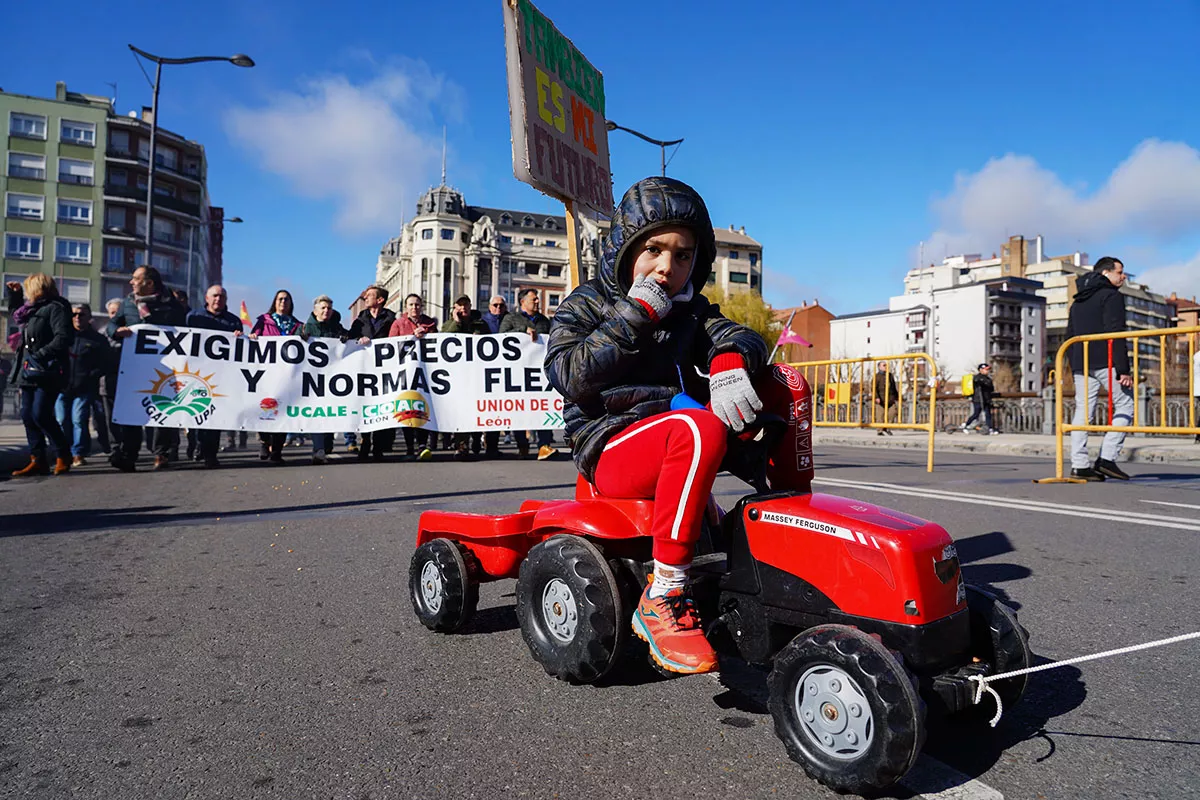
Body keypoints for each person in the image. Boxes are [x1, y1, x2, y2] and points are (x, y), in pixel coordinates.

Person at [546, 176, 812, 675]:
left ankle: (792, 535)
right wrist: (633, 317)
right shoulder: (586, 305)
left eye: (684, 255)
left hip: (672, 431)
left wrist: (731, 358)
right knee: (697, 427)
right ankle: (663, 594)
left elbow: (733, 333)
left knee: (785, 386)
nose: (668, 267)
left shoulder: (690, 308)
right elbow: (569, 374)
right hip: (608, 445)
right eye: (654, 250)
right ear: (625, 248)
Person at [106, 266, 187, 471]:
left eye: (135, 279)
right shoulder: (128, 303)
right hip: (134, 368)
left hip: (164, 369)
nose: (131, 282)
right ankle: (130, 456)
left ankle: (161, 453)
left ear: (149, 283)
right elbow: (111, 326)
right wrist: (117, 331)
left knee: (162, 409)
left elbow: (188, 329)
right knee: (133, 411)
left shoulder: (171, 304)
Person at [1066, 256, 1134, 481]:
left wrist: (1073, 362)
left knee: (1083, 411)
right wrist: (1123, 369)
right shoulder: (1111, 296)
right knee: (1126, 404)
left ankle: (1079, 465)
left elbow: (1069, 336)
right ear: (1106, 273)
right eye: (1120, 272)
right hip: (1106, 360)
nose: (1123, 276)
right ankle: (1107, 458)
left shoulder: (1078, 300)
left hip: (1080, 362)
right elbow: (1117, 332)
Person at [6, 274, 74, 477]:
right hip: (27, 370)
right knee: (27, 415)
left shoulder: (56, 308)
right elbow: (15, 314)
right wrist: (14, 295)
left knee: (41, 414)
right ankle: (38, 459)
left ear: (38, 288)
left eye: (27, 289)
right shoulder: (31, 310)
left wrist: (40, 355)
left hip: (47, 370)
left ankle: (63, 454)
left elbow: (64, 337)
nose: (26, 293)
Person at [186, 285, 243, 468]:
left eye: (222, 296)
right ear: (207, 298)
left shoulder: (233, 321)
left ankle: (211, 454)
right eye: (215, 295)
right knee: (195, 414)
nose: (218, 299)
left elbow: (241, 350)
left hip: (220, 377)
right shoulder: (193, 317)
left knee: (214, 417)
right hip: (196, 375)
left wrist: (240, 338)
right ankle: (197, 445)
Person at [501, 289, 557, 459]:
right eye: (534, 299)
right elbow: (501, 337)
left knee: (543, 406)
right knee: (520, 409)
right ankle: (522, 446)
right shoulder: (511, 318)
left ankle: (544, 446)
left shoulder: (544, 321)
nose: (537, 302)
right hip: (517, 372)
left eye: (538, 299)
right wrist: (522, 331)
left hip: (539, 372)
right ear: (522, 301)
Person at [250, 289, 304, 464]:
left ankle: (277, 451)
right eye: (280, 299)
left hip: (287, 375)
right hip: (266, 373)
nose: (283, 302)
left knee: (281, 412)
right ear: (275, 302)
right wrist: (251, 337)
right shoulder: (264, 321)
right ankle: (265, 442)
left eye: (287, 299)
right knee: (265, 407)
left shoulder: (297, 325)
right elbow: (253, 338)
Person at [55, 303, 110, 466]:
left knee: (78, 419)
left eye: (82, 314)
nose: (77, 317)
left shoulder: (98, 340)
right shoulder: (63, 336)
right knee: (61, 419)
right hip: (62, 387)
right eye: (74, 314)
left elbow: (105, 363)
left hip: (84, 388)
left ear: (89, 317)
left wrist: (90, 376)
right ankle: (63, 452)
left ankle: (78, 453)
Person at [348, 285, 398, 461]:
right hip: (364, 370)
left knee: (381, 407)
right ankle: (365, 441)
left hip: (384, 370)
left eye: (369, 296)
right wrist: (358, 340)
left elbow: (397, 339)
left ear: (380, 300)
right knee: (365, 406)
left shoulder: (391, 319)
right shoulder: (360, 320)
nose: (366, 298)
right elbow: (350, 339)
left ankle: (378, 445)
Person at [388, 293, 437, 461]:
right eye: (411, 305)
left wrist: (427, 336)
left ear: (421, 306)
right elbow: (390, 346)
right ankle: (410, 447)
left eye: (417, 304)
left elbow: (438, 344)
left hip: (424, 373)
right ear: (406, 307)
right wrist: (410, 338)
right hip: (405, 375)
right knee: (407, 410)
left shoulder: (430, 323)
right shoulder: (398, 323)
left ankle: (422, 445)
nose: (414, 307)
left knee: (422, 407)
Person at [302, 295, 349, 464]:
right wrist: (301, 338)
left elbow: (350, 342)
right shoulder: (305, 328)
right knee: (317, 414)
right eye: (322, 308)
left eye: (329, 308)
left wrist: (347, 339)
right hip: (312, 379)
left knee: (329, 413)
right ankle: (318, 448)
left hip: (332, 379)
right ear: (315, 310)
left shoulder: (337, 328)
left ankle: (325, 446)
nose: (326, 311)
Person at [441, 295, 489, 460]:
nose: (463, 309)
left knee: (476, 409)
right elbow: (445, 338)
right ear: (454, 308)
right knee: (460, 412)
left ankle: (476, 439)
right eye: (459, 306)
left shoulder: (480, 323)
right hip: (457, 376)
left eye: (466, 305)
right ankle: (461, 446)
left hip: (476, 375)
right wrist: (457, 322)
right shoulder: (448, 324)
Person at [961, 363, 998, 435]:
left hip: (986, 399)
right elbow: (979, 385)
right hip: (978, 399)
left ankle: (989, 428)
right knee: (976, 414)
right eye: (986, 369)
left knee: (988, 414)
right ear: (981, 370)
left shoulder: (988, 379)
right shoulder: (977, 378)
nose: (987, 371)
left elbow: (991, 388)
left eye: (988, 369)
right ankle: (966, 425)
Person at [872, 361, 899, 436]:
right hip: (880, 399)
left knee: (892, 413)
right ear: (879, 367)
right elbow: (874, 388)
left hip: (890, 398)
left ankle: (887, 427)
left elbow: (893, 387)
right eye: (884, 365)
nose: (886, 367)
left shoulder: (890, 375)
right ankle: (879, 430)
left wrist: (897, 396)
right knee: (880, 415)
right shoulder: (877, 376)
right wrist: (876, 397)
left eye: (886, 365)